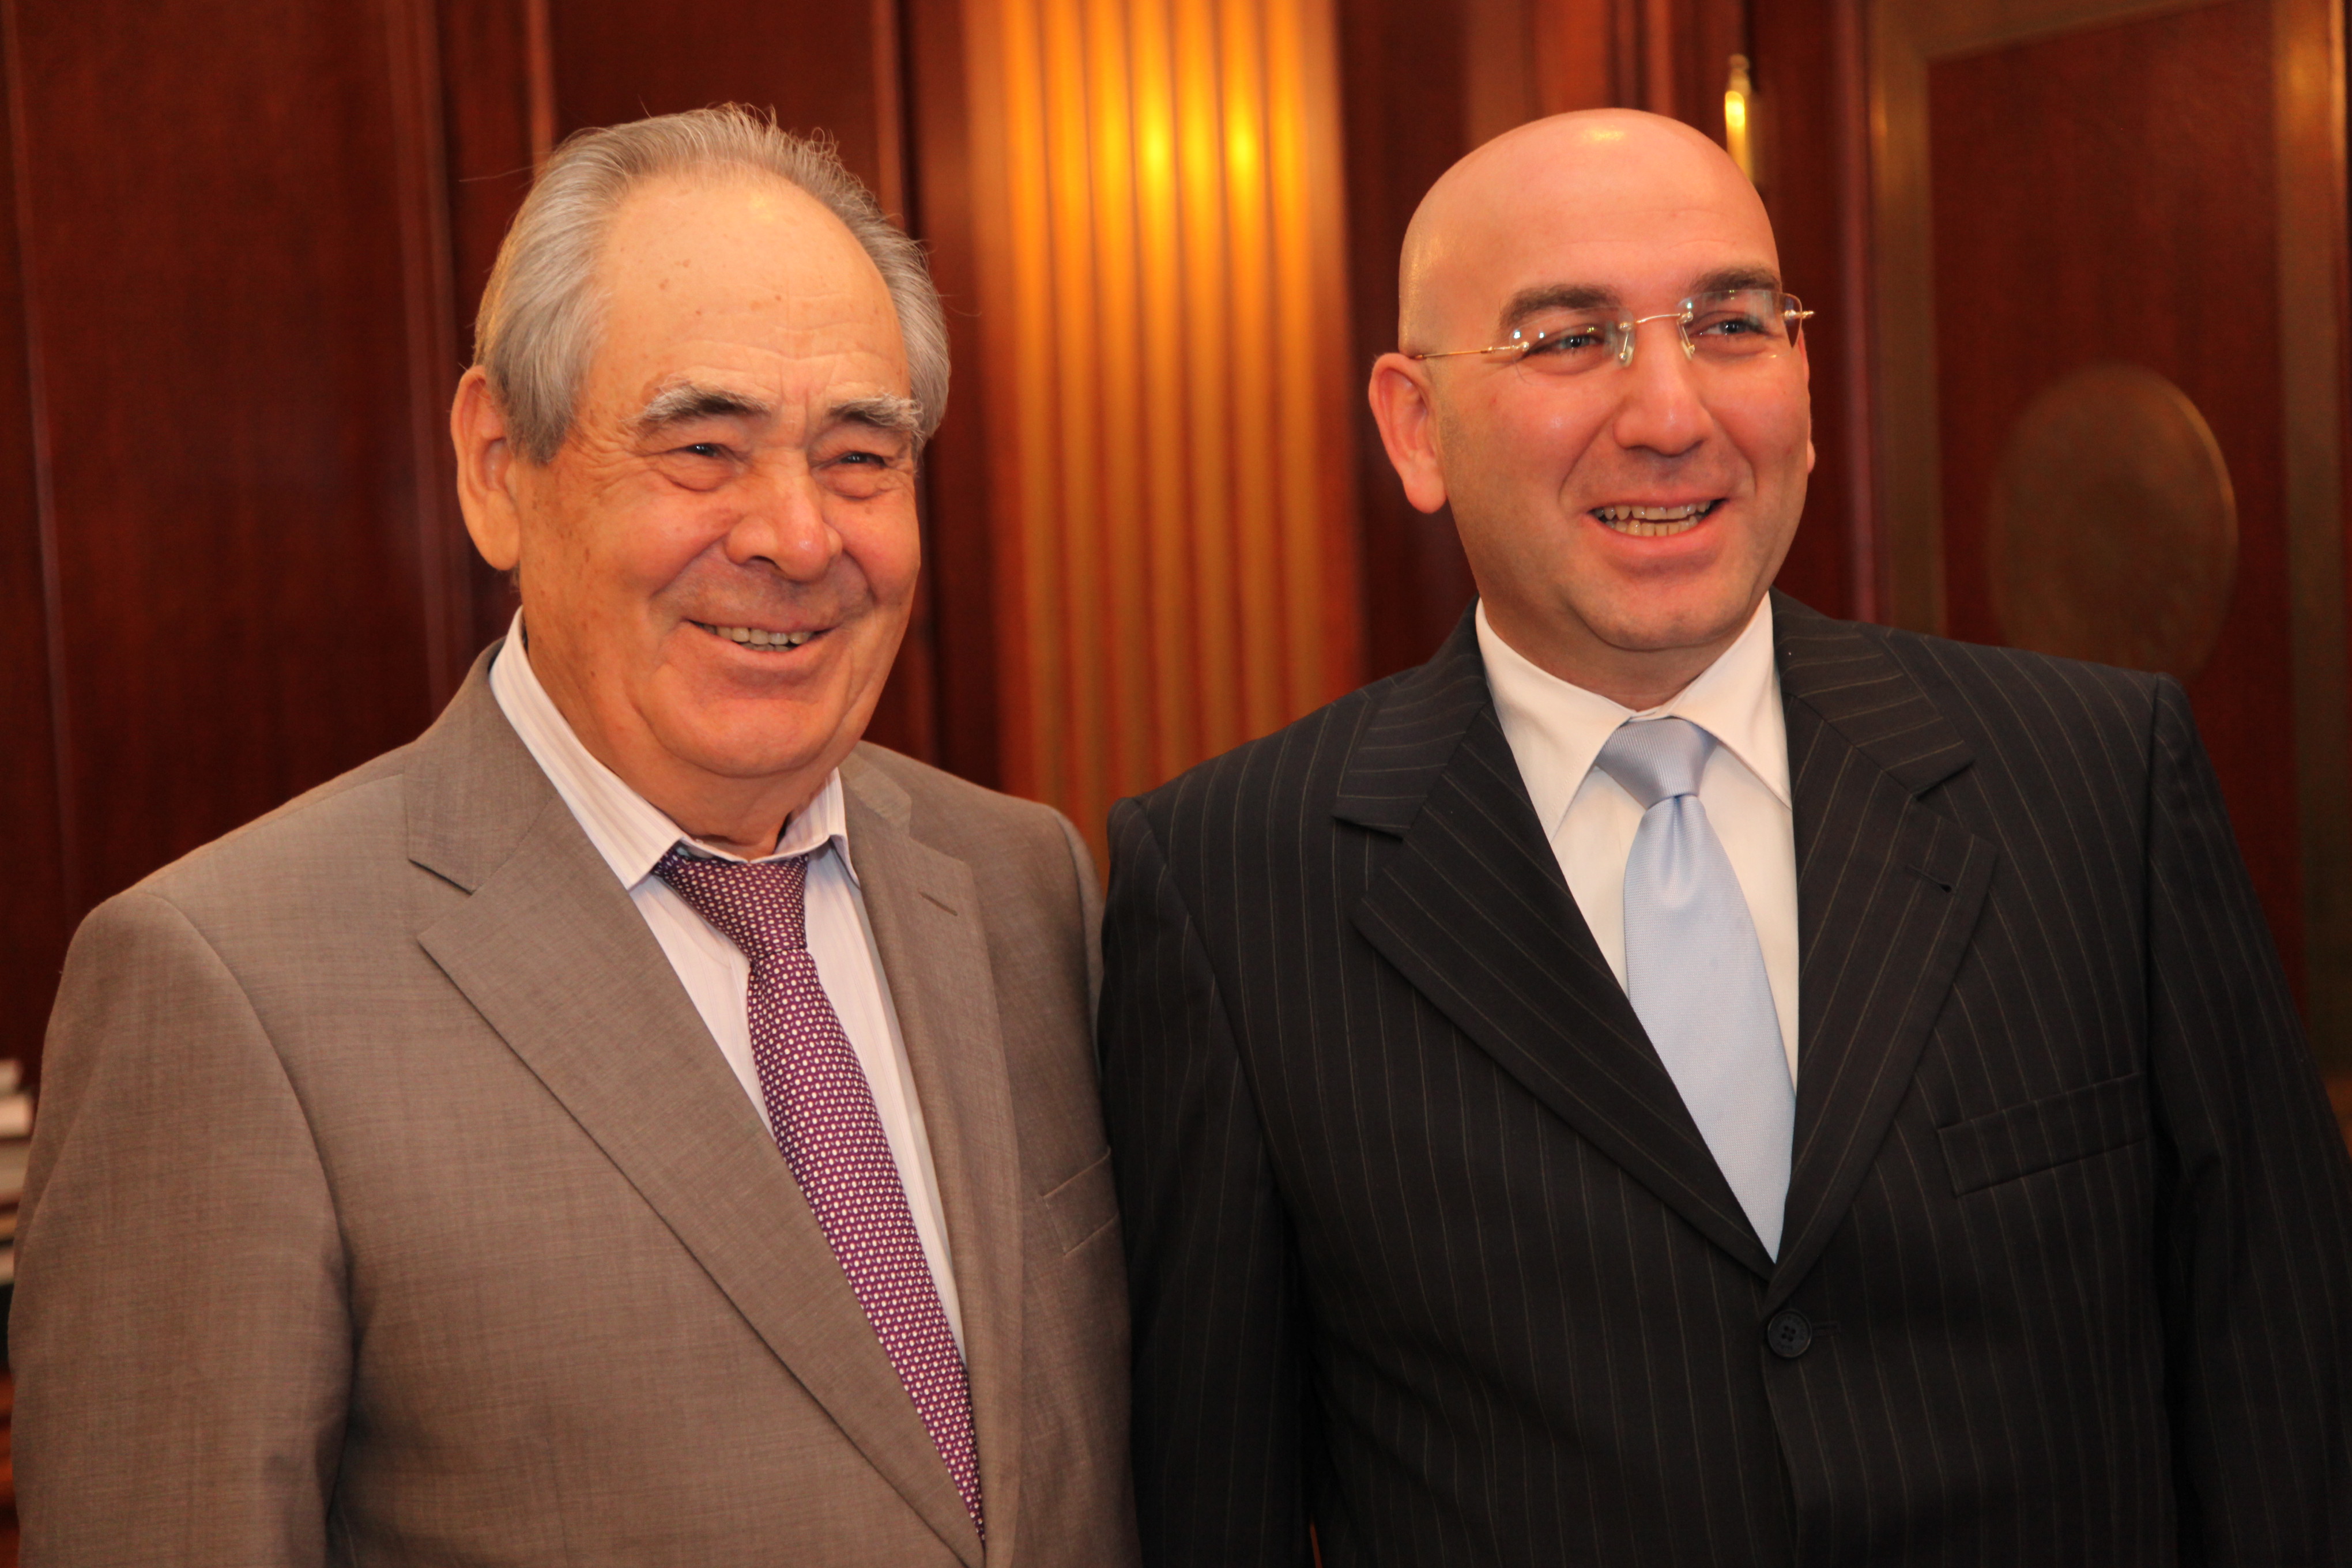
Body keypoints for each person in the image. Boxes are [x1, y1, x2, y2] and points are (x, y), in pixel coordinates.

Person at [1099, 108, 2352, 1566]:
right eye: (1570, 339)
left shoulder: (2097, 783)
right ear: (1416, 426)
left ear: (1806, 387)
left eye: (1733, 324)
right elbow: (1216, 1496)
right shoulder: (1232, 887)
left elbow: (2292, 1398)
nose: (1671, 412)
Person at [17, 107, 1135, 1567]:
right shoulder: (226, 990)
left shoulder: (1026, 884)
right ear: (499, 465)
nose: (799, 536)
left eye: (861, 455)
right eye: (705, 447)